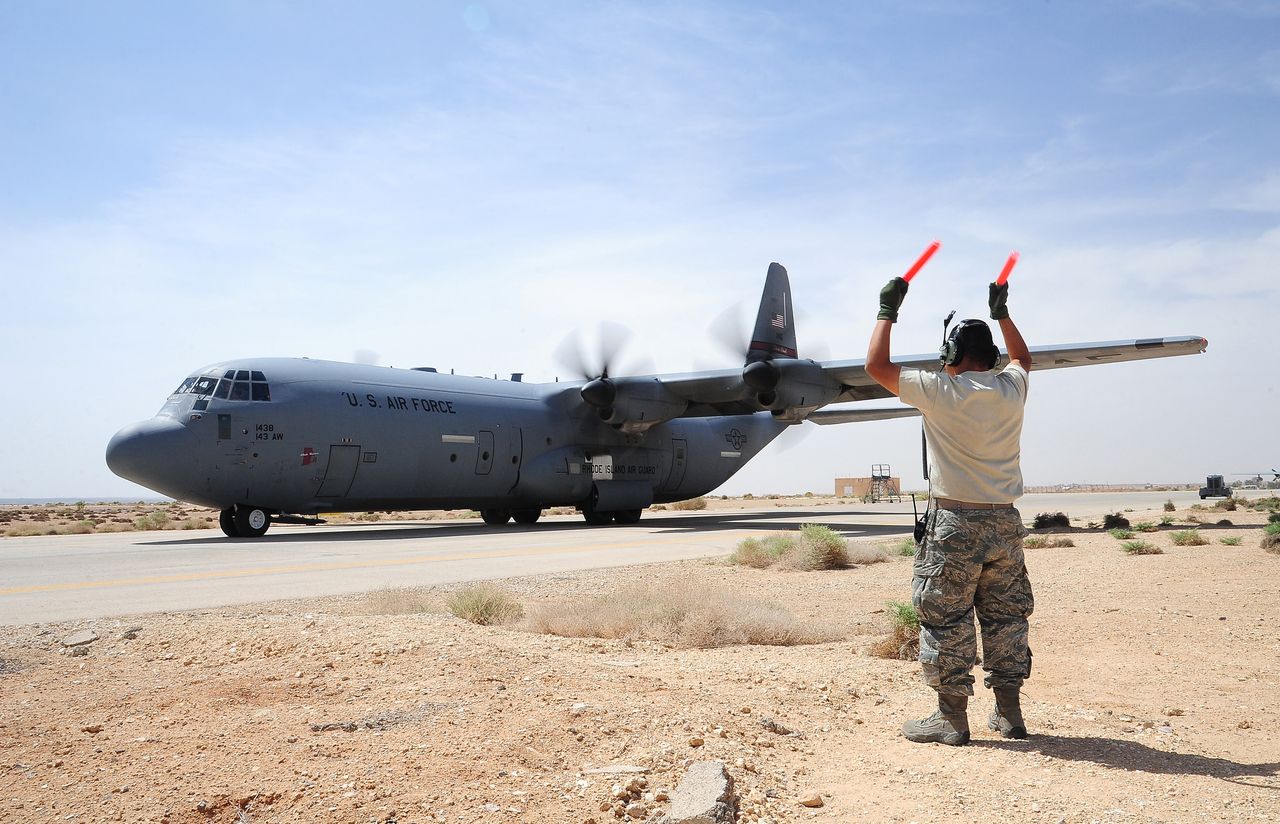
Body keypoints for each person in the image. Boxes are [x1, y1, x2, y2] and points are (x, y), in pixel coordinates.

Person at [864, 274, 1034, 746]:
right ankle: (1010, 714)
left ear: (951, 357)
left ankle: (952, 719)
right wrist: (1003, 313)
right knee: (1006, 617)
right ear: (991, 357)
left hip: (956, 522)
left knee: (946, 617)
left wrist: (886, 311)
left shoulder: (940, 391)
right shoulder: (1011, 389)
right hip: (1005, 521)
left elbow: (875, 364)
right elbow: (1023, 358)